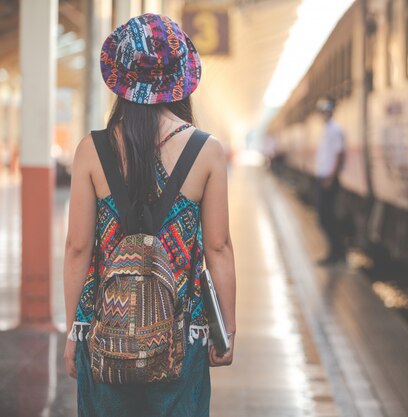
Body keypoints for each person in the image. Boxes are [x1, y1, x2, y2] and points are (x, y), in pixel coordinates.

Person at [62, 13, 236, 417]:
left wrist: (75, 330)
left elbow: (77, 248)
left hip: (105, 331)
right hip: (181, 336)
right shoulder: (206, 151)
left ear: (121, 79)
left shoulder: (93, 149)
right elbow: (219, 247)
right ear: (180, 79)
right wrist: (225, 329)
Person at [314, 97, 346, 265]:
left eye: (326, 111)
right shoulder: (328, 130)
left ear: (332, 111)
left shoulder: (335, 130)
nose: (324, 114)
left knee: (327, 216)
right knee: (324, 216)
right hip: (323, 178)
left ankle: (337, 253)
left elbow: (339, 155)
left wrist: (331, 178)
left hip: (328, 179)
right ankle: (336, 252)